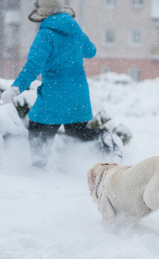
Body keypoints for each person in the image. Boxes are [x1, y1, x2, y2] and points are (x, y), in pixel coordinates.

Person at [0, 0, 121, 168]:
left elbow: (33, 66)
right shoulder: (75, 29)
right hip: (78, 93)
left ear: (44, 14)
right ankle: (99, 137)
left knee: (38, 128)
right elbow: (91, 51)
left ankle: (39, 168)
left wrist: (16, 87)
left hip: (54, 95)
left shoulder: (45, 34)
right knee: (77, 133)